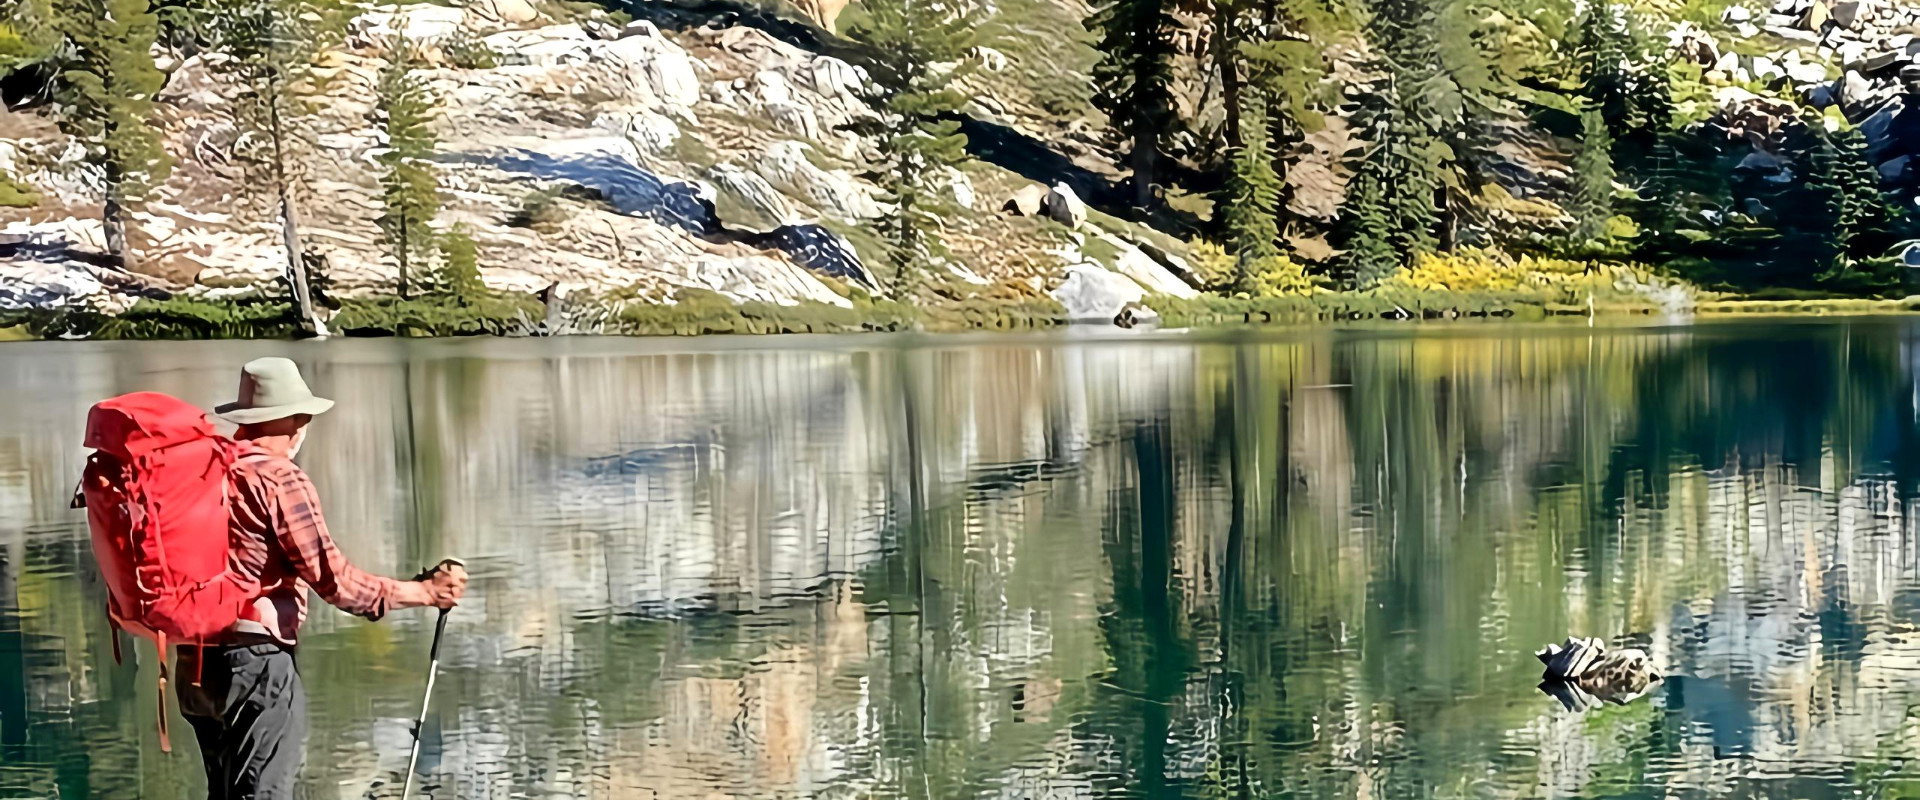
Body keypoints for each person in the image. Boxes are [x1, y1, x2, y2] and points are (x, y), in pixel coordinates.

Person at [183, 356, 468, 800]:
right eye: (305, 418)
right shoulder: (279, 478)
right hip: (256, 662)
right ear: (294, 421)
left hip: (194, 663)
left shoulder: (205, 469)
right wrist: (423, 593)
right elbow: (335, 581)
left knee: (223, 792)